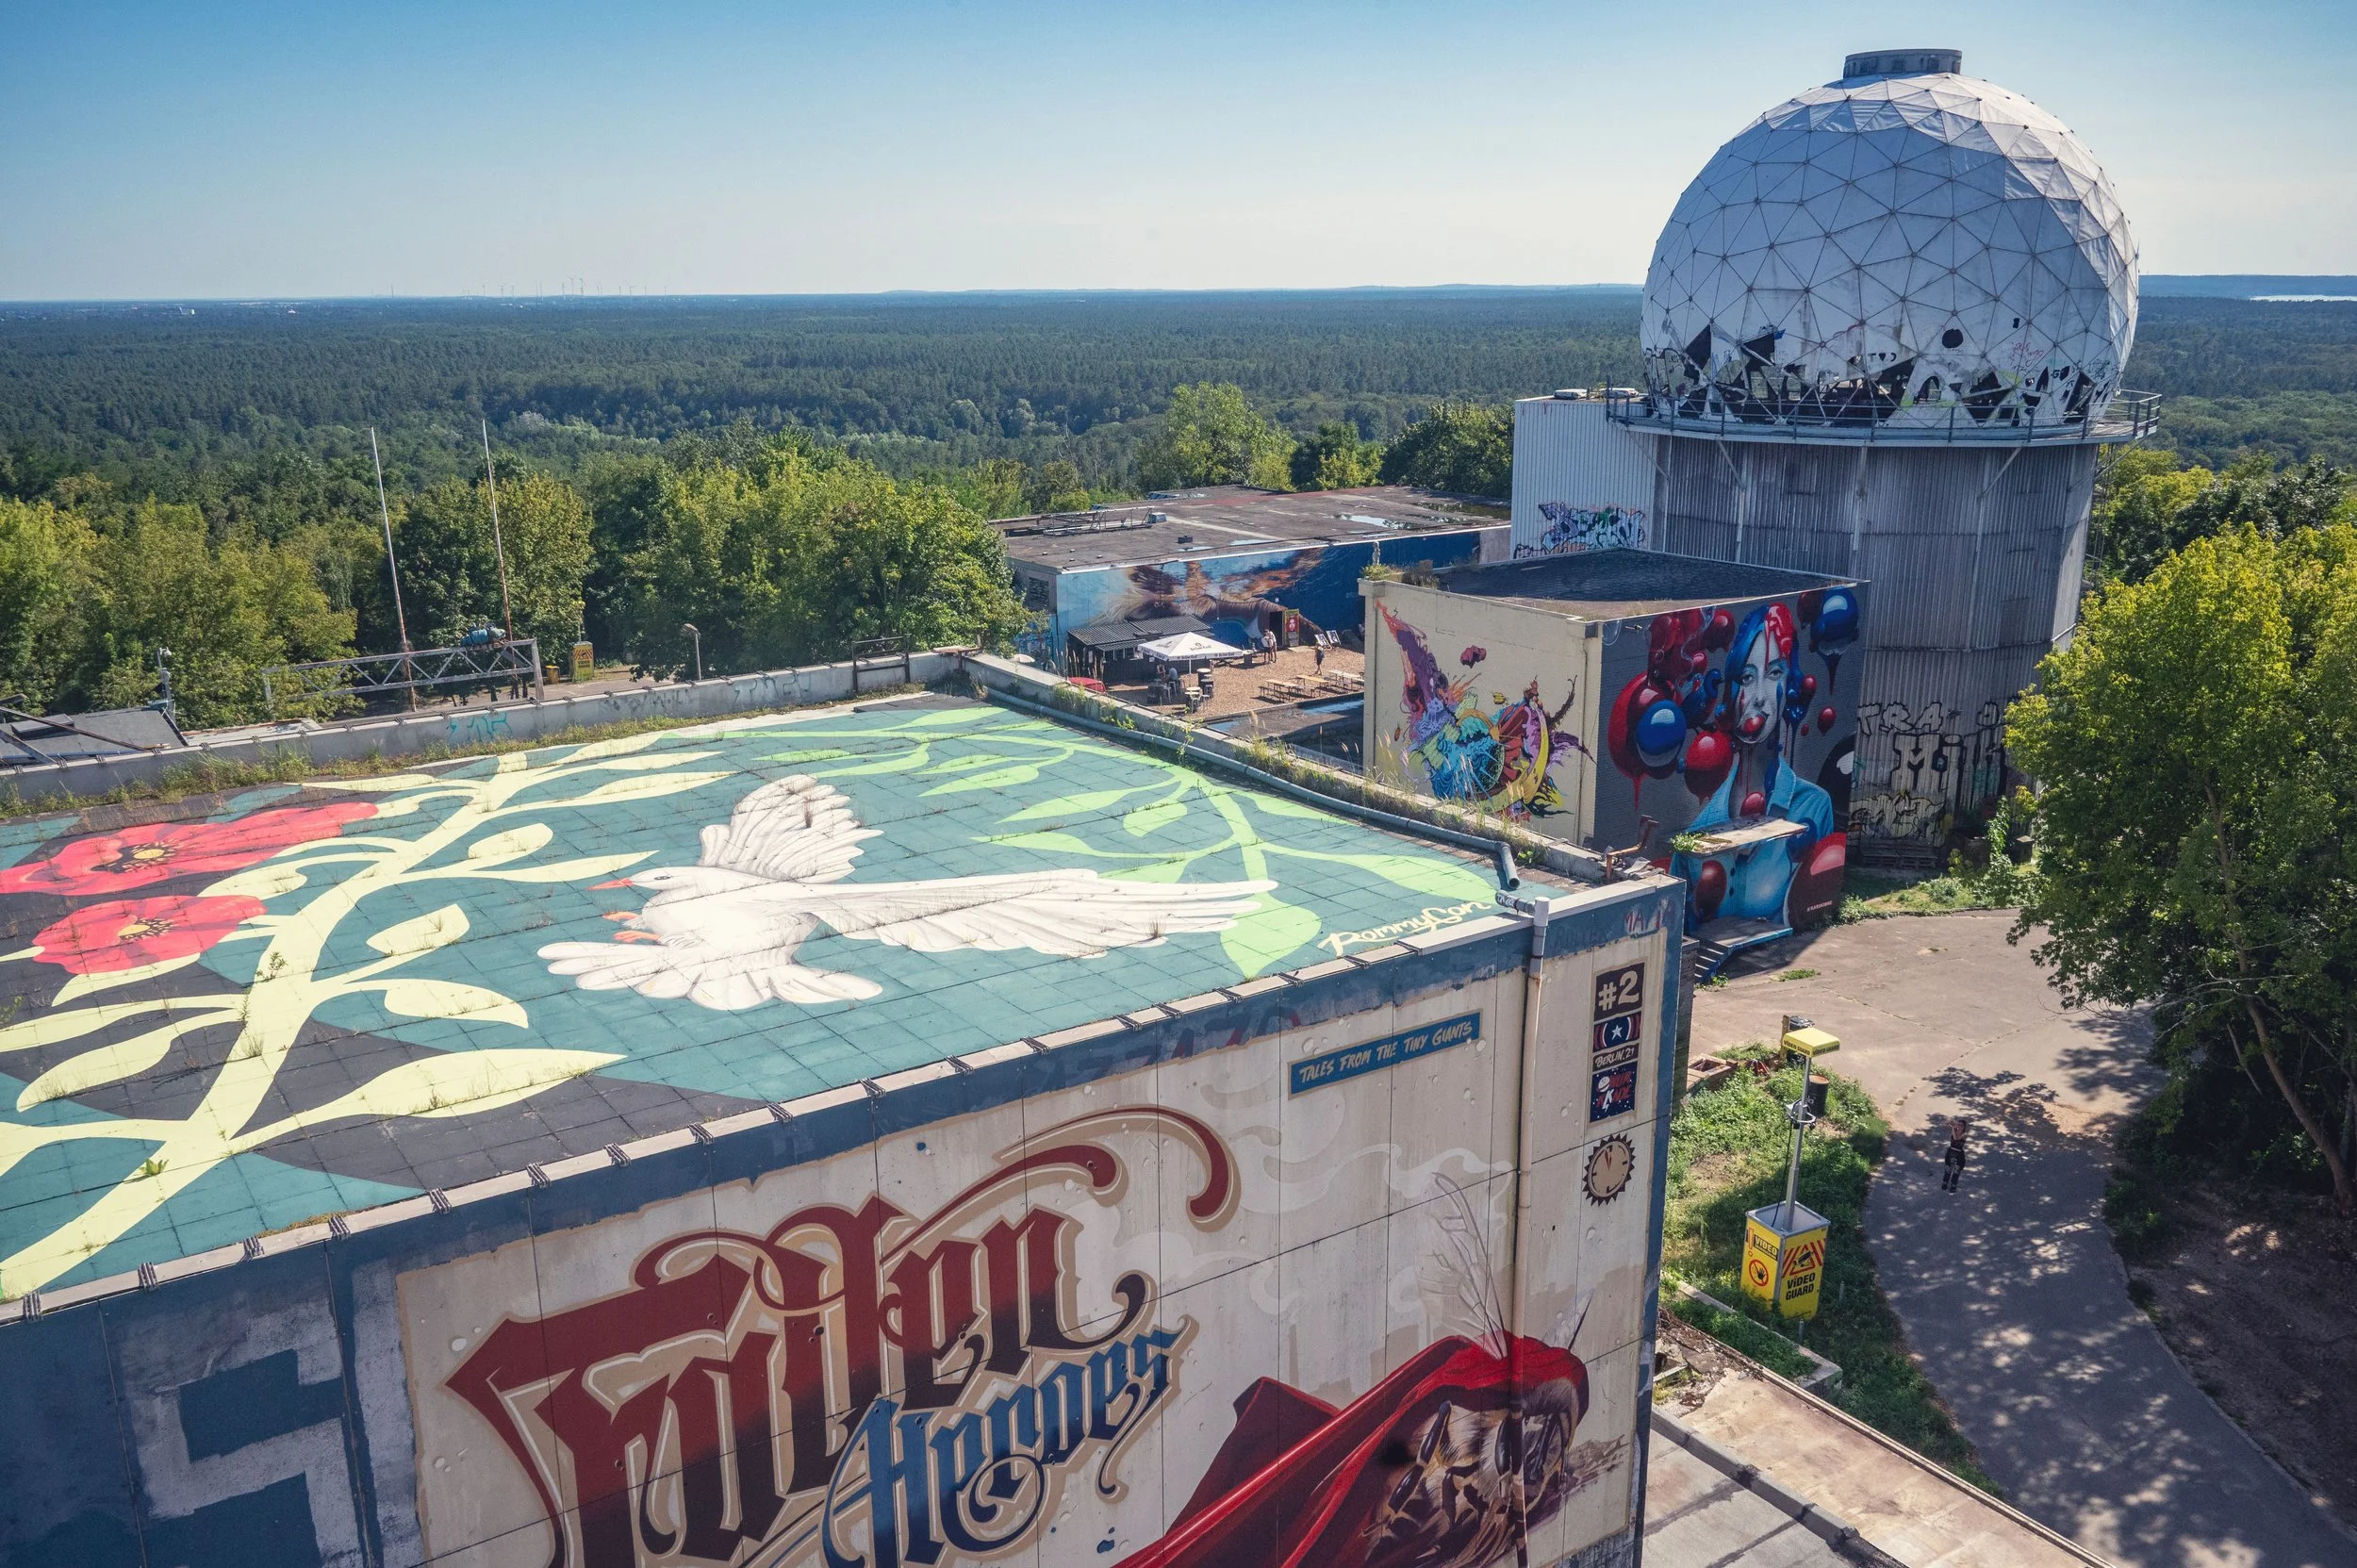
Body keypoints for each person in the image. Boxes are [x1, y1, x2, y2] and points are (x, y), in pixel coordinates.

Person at [1941, 1116, 1970, 1193]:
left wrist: (1953, 1128)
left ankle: (1953, 1185)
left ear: (1964, 1127)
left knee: (1956, 1170)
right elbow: (1947, 1122)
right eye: (1959, 1125)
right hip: (1951, 1152)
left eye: (1961, 1125)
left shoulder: (1965, 1134)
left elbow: (1956, 1138)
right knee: (1948, 1169)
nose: (1959, 1126)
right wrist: (1951, 1123)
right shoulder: (1954, 1130)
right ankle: (1945, 1182)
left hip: (1959, 1154)